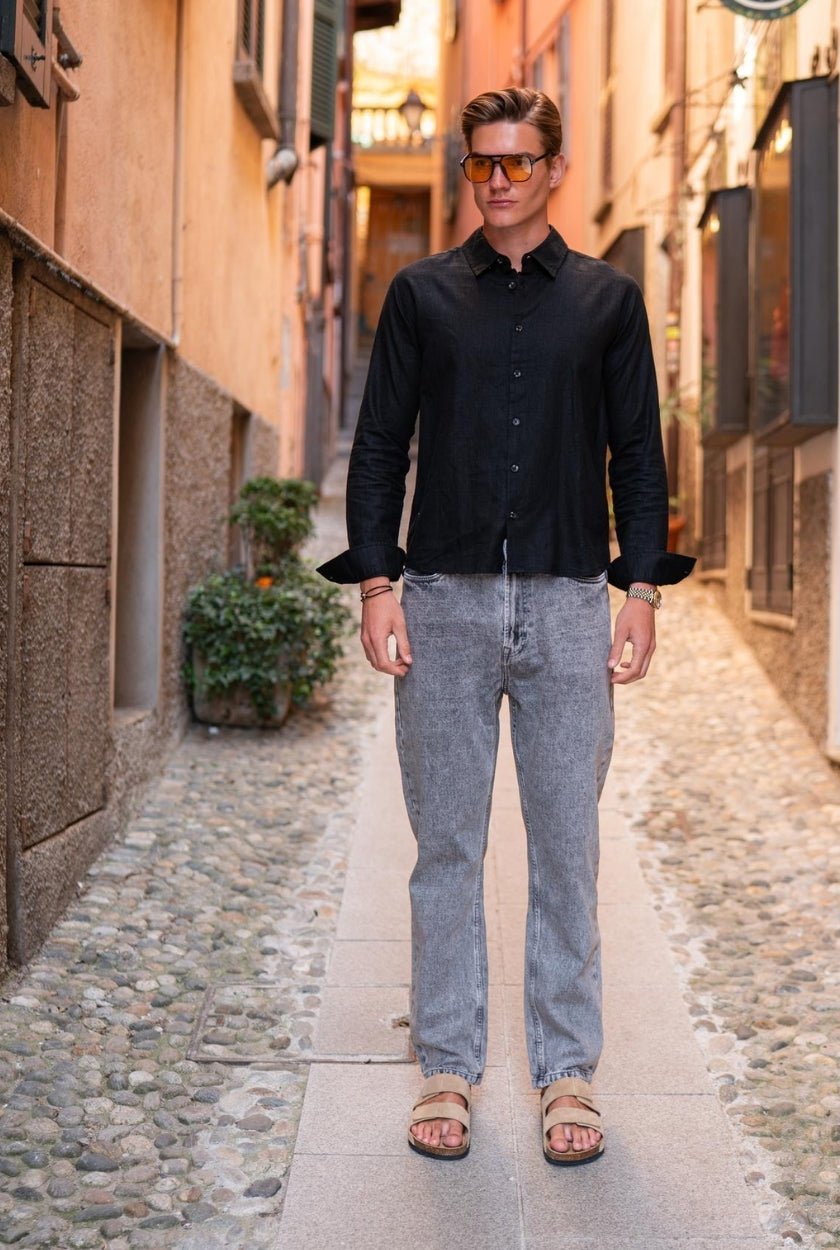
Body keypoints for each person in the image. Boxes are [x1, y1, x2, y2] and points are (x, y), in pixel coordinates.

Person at [318, 86, 694, 1166]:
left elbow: (639, 452)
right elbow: (380, 443)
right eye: (480, 162)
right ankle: (446, 1064)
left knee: (567, 850)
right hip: (442, 600)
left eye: (516, 162)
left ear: (553, 170)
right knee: (446, 847)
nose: (495, 180)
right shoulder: (420, 296)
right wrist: (378, 585)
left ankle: (567, 1072)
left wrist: (640, 591)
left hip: (571, 604)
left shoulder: (609, 301)